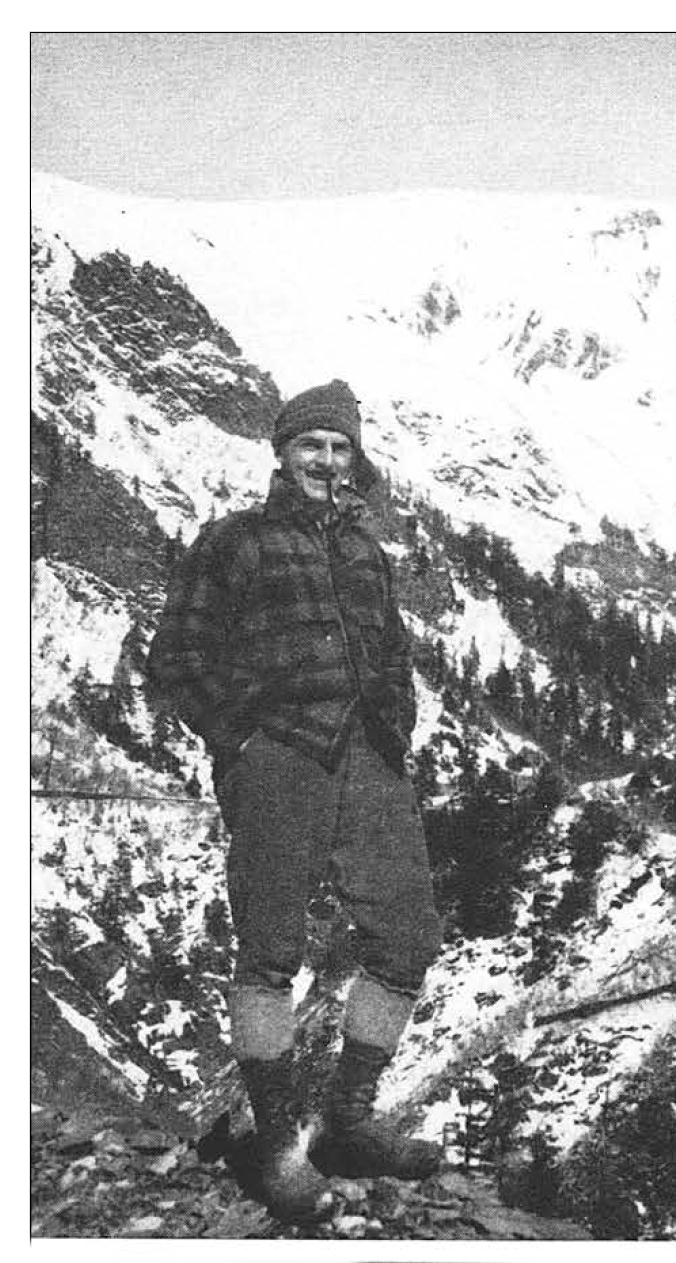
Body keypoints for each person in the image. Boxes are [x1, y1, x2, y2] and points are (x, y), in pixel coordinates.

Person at [147, 379, 443, 1221]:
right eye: (309, 444)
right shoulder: (233, 542)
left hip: (369, 757)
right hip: (278, 757)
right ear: (281, 453)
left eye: (338, 446)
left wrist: (397, 724)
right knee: (270, 951)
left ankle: (346, 1121)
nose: (323, 460)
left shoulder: (364, 553)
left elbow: (390, 651)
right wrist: (237, 743)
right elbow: (177, 654)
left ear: (355, 459)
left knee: (406, 935)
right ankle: (277, 1145)